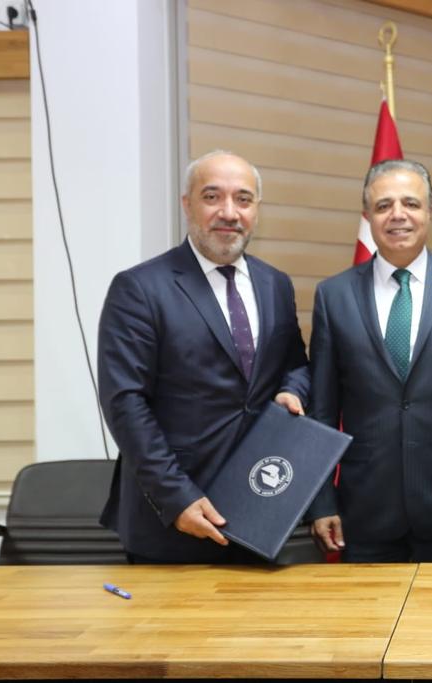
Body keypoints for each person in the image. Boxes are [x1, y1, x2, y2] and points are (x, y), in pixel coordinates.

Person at [98, 150, 310, 563]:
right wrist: (176, 497)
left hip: (260, 510)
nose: (229, 212)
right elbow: (125, 402)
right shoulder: (139, 288)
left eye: (243, 199)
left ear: (256, 209)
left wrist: (292, 391)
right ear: (187, 204)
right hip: (173, 520)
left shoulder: (275, 284)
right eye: (212, 197)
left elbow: (295, 365)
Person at [306, 159, 432, 563]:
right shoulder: (333, 296)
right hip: (364, 509)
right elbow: (321, 411)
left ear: (430, 210)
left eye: (411, 203)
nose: (398, 215)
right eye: (384, 206)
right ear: (367, 216)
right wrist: (321, 501)